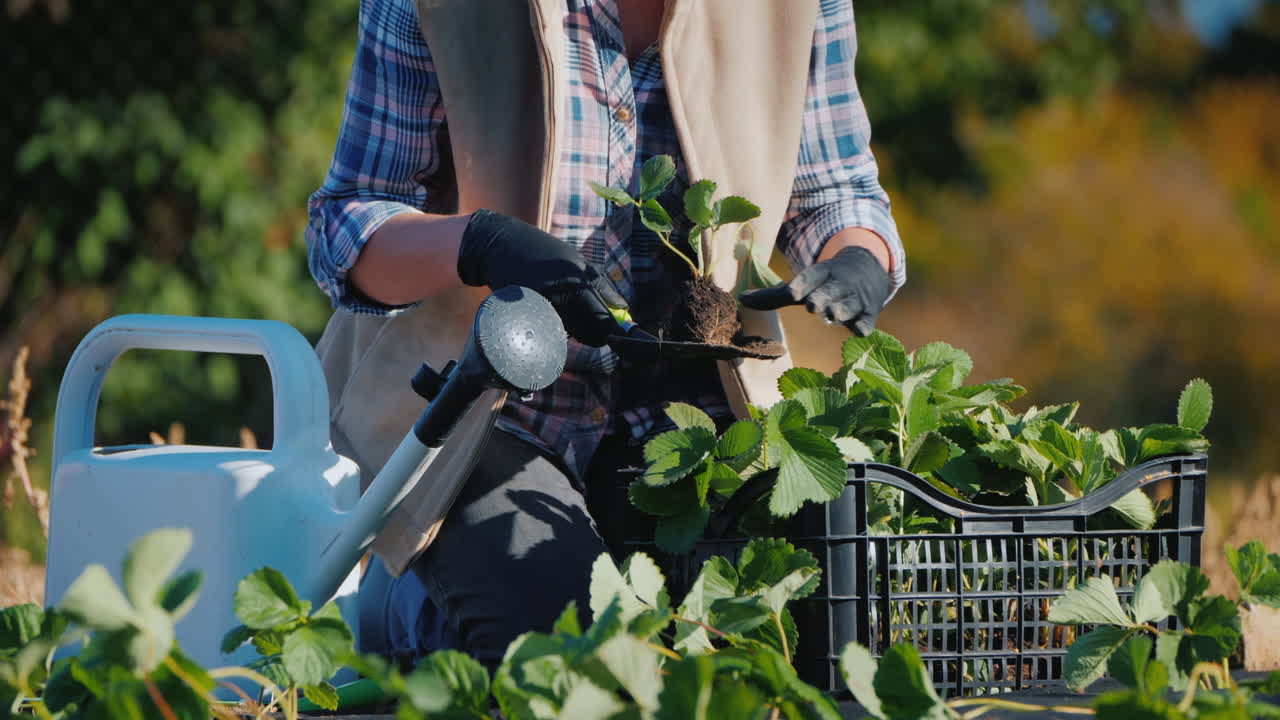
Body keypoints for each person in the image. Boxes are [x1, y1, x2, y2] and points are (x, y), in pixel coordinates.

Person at [305, 0, 906, 669]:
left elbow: (836, 193)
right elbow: (347, 226)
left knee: (801, 642)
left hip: (695, 423)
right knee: (570, 652)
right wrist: (480, 243)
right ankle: (409, 604)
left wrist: (857, 258)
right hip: (479, 407)